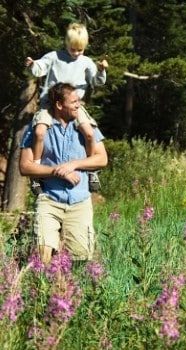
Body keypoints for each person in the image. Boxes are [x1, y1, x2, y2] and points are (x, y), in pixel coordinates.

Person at [19, 82, 108, 264]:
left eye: (79, 101)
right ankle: (43, 289)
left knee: (80, 258)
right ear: (59, 105)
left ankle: (65, 290)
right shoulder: (38, 128)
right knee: (42, 254)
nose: (79, 105)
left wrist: (74, 164)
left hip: (80, 201)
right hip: (49, 200)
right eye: (74, 101)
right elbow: (25, 166)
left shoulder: (86, 127)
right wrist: (57, 171)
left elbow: (102, 159)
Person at [25, 22, 108, 194]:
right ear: (66, 43)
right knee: (40, 132)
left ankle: (91, 170)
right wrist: (33, 64)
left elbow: (96, 81)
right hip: (50, 104)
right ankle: (36, 174)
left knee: (89, 133)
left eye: (80, 50)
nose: (76, 53)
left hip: (74, 106)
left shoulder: (86, 62)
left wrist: (101, 71)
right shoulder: (54, 57)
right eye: (73, 49)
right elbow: (40, 68)